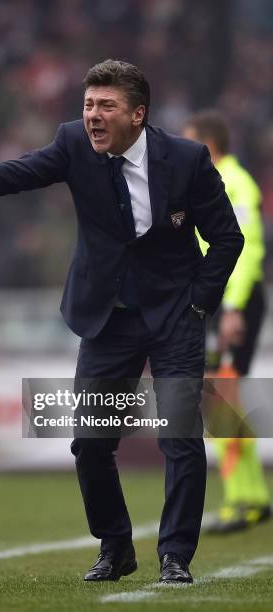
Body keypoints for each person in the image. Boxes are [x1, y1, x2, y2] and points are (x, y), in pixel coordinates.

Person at [0, 60, 244, 584]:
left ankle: (175, 555)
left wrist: (199, 303)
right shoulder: (72, 144)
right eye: (88, 105)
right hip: (108, 318)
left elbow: (228, 239)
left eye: (106, 106)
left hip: (175, 316)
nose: (92, 117)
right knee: (90, 441)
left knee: (179, 436)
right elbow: (16, 172)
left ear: (138, 113)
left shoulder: (187, 158)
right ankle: (116, 546)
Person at [183, 110, 271, 533]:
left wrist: (234, 308)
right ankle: (253, 497)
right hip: (223, 300)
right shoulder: (219, 181)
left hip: (236, 301)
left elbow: (249, 248)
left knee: (221, 401)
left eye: (189, 141)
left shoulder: (234, 182)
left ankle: (244, 500)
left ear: (207, 144)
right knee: (226, 401)